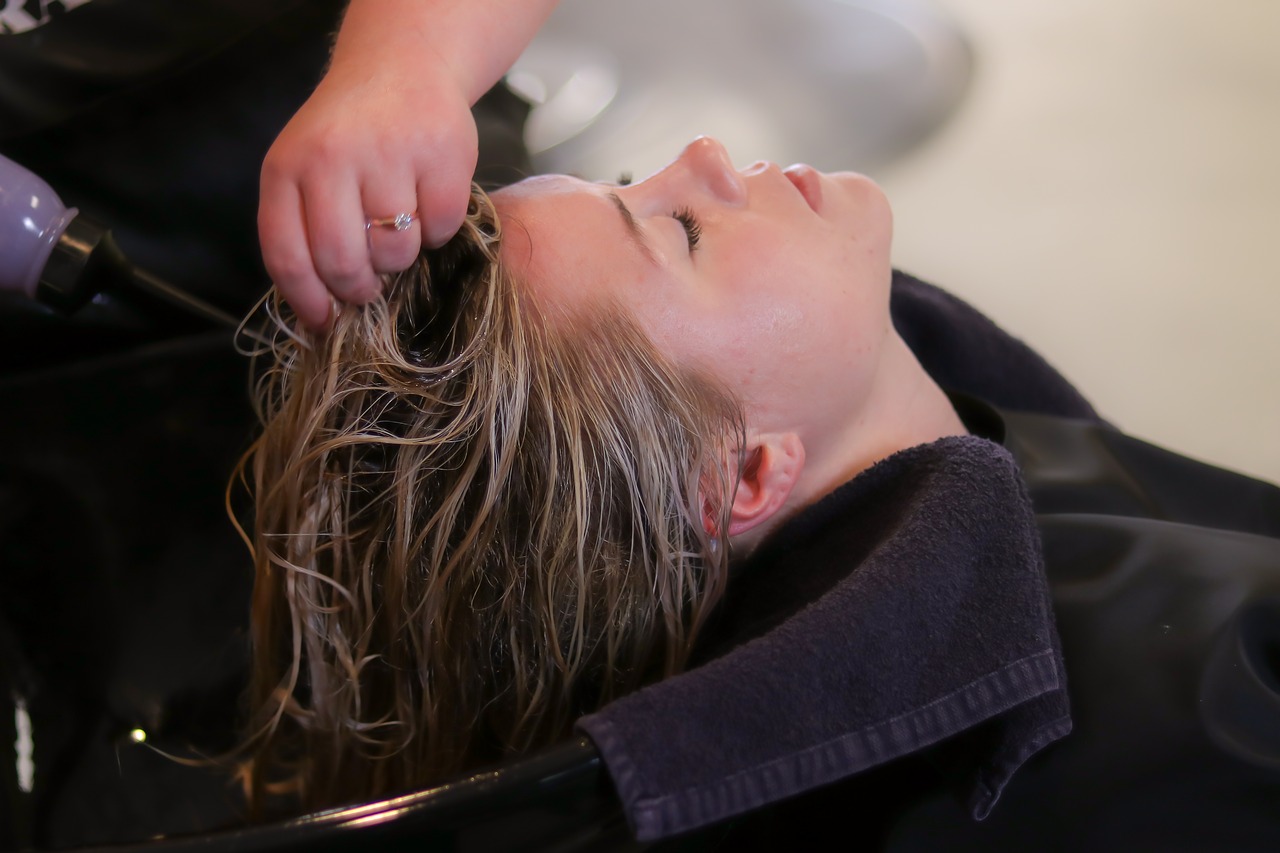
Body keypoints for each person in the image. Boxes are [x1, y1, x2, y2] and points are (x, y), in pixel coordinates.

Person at [241, 136, 1280, 849]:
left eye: (628, 181)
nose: (698, 156)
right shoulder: (1203, 704)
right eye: (678, 229)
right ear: (742, 472)